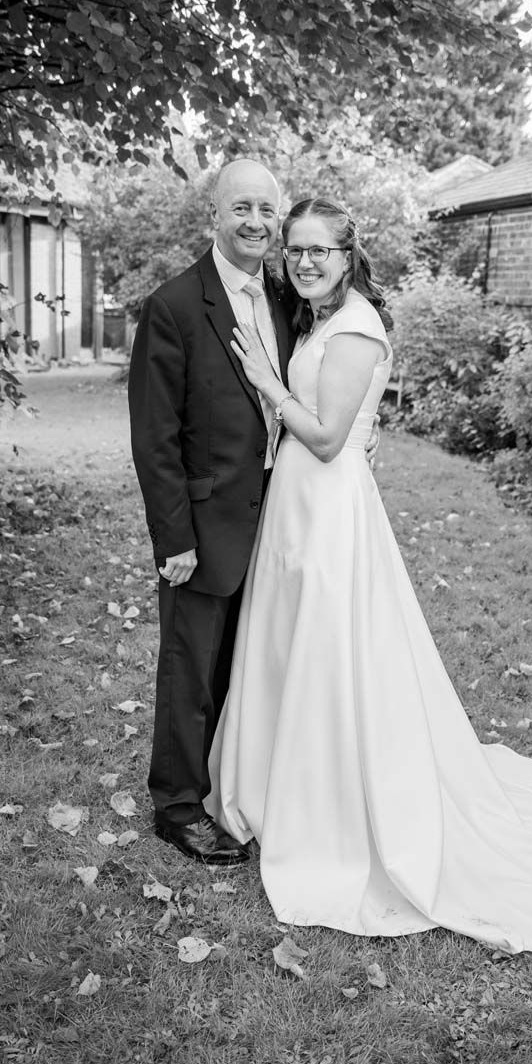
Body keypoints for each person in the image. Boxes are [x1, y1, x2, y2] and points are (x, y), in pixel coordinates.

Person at [205, 197, 532, 952]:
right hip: (297, 506)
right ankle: (282, 789)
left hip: (328, 509)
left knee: (329, 652)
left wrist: (267, 383)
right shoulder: (320, 317)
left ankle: (333, 809)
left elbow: (327, 438)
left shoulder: (354, 327)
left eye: (320, 250)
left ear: (348, 255)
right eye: (296, 250)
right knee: (291, 645)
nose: (306, 262)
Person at [128, 159, 295, 866]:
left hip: (280, 518)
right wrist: (174, 537)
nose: (255, 222)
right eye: (241, 208)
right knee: (190, 670)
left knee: (247, 665)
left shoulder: (285, 297)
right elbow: (155, 436)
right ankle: (176, 806)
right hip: (202, 525)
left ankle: (233, 783)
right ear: (215, 217)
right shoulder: (173, 305)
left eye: (266, 209)